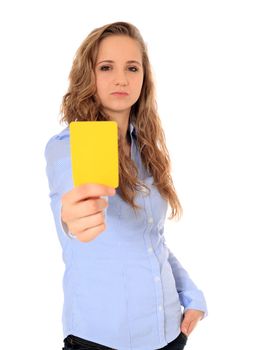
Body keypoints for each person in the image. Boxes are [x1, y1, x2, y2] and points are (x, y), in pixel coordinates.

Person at [44, 21, 208, 350]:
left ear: (144, 78)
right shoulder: (67, 147)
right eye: (106, 67)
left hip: (169, 335)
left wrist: (191, 294)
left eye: (132, 68)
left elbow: (150, 240)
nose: (122, 79)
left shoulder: (149, 152)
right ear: (88, 75)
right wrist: (74, 220)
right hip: (101, 341)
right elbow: (73, 209)